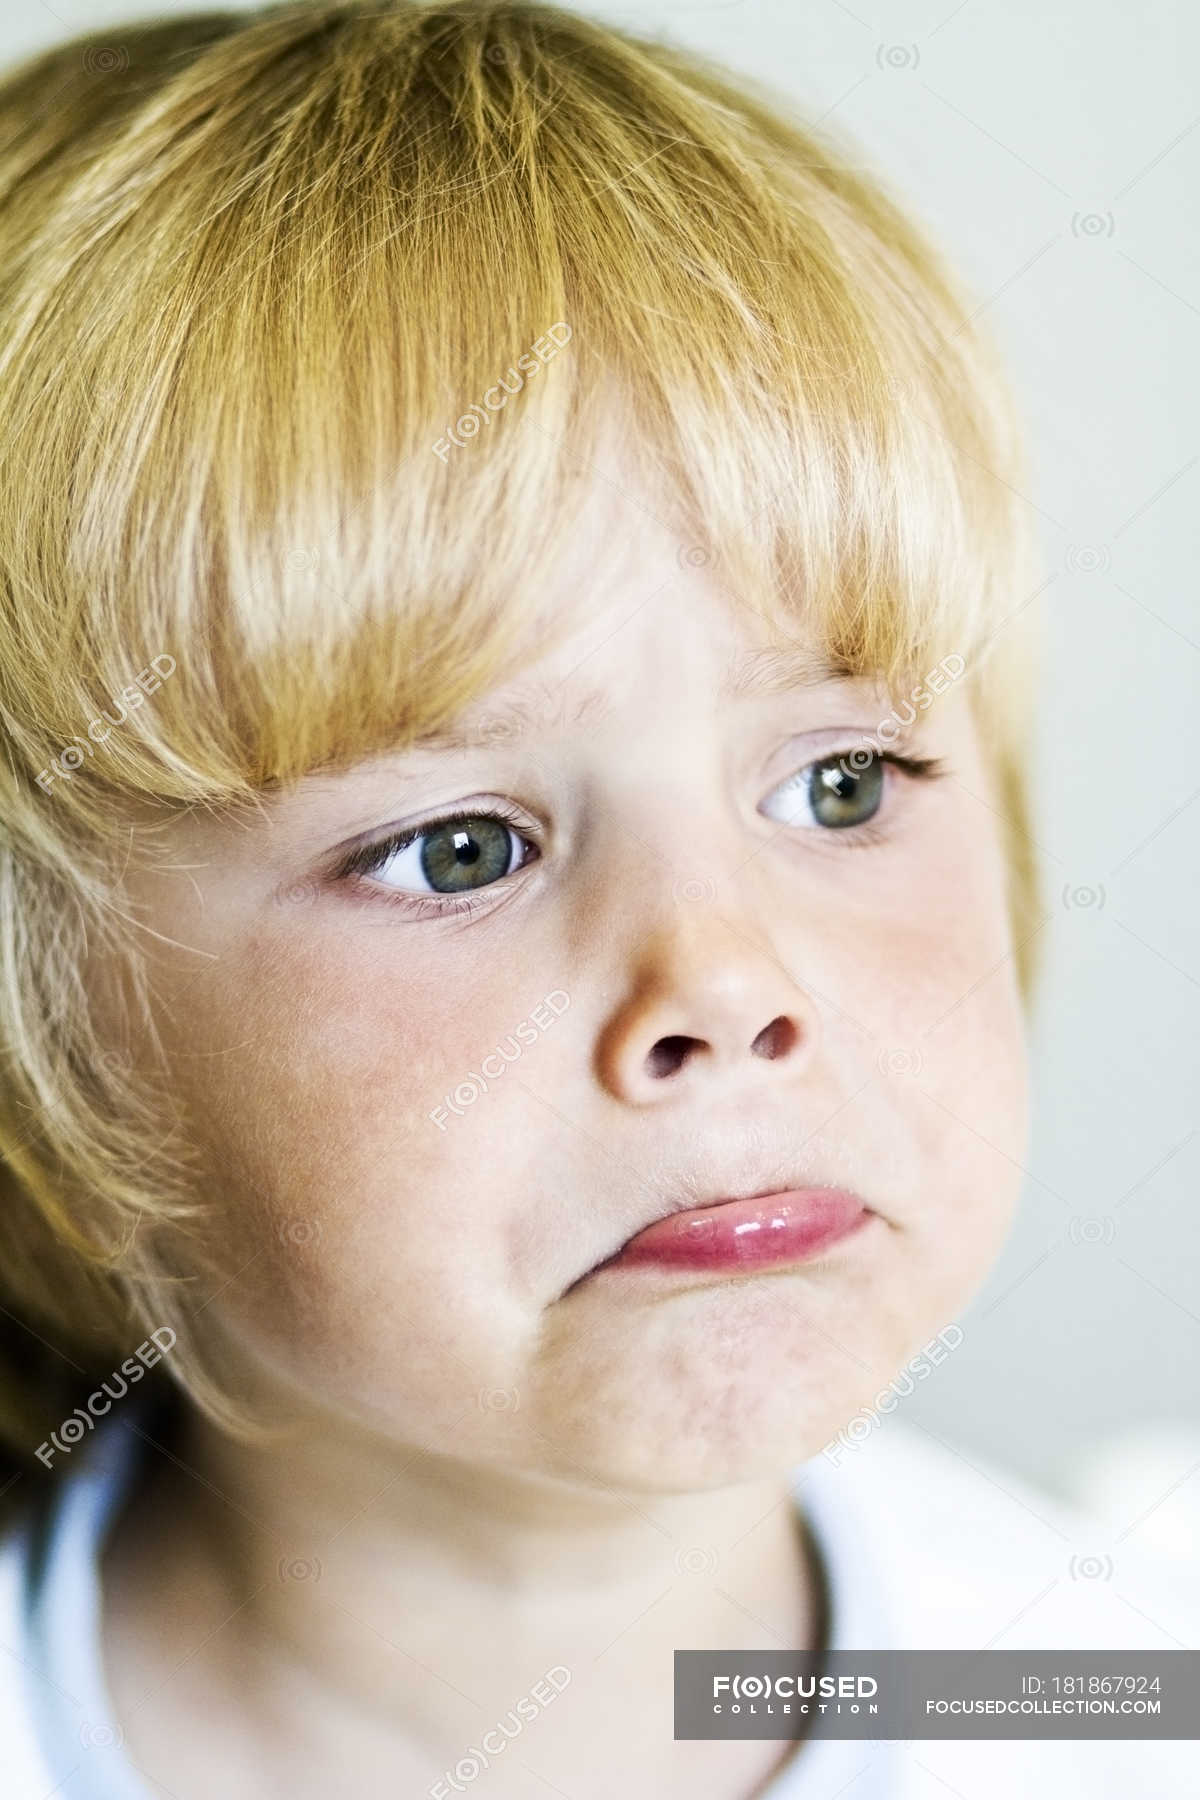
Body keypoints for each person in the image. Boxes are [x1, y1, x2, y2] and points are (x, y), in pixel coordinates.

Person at [0, 3, 1194, 1796]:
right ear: (50, 1051)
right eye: (460, 850)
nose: (729, 980)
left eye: (840, 785)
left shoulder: (1099, 1703)